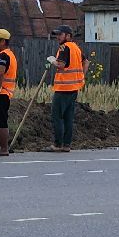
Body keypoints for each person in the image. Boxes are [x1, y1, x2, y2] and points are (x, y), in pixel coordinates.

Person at [47, 25, 86, 153]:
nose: (58, 37)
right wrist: (81, 77)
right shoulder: (76, 48)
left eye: (60, 34)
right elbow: (86, 62)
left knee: (57, 116)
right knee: (68, 117)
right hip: (74, 88)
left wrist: (52, 60)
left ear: (68, 36)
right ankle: (66, 145)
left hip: (63, 88)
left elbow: (61, 65)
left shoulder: (64, 47)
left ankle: (58, 144)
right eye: (57, 35)